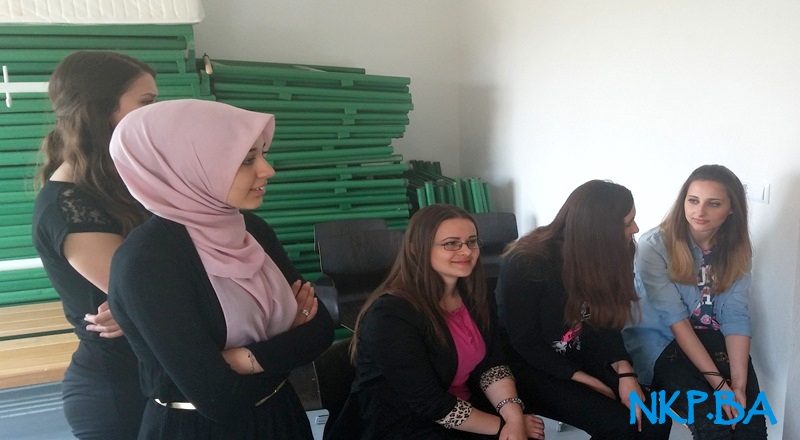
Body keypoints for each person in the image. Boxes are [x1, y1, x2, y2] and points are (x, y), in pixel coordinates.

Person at [107, 99, 335, 439]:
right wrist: (288, 338)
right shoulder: (147, 261)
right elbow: (220, 397)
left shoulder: (251, 229)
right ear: (186, 166)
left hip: (280, 415)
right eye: (247, 160)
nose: (267, 170)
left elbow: (321, 329)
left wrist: (244, 360)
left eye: (262, 154)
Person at [330, 204, 546, 440]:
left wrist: (514, 417)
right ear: (417, 249)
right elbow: (428, 402)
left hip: (459, 407)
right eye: (451, 243)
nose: (466, 251)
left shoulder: (474, 295)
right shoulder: (390, 315)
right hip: (404, 422)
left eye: (472, 241)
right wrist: (503, 426)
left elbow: (491, 365)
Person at [31, 50, 158, 439]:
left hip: (156, 374)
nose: (155, 114)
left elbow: (153, 297)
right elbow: (152, 295)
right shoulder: (68, 204)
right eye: (146, 103)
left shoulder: (124, 184)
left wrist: (136, 308)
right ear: (100, 111)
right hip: (120, 392)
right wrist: (138, 306)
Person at [495, 180, 672, 440]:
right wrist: (586, 381)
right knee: (621, 424)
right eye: (627, 223)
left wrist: (626, 373)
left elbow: (607, 324)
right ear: (599, 230)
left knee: (655, 416)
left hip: (580, 354)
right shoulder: (526, 263)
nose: (635, 228)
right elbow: (525, 343)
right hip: (531, 366)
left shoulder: (608, 254)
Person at [623, 165, 767, 438]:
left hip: (712, 338)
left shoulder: (737, 249)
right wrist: (720, 387)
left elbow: (736, 316)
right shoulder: (654, 246)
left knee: (751, 422)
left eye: (713, 204)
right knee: (714, 423)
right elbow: (676, 320)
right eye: (693, 201)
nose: (699, 211)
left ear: (732, 209)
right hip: (663, 341)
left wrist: (737, 385)